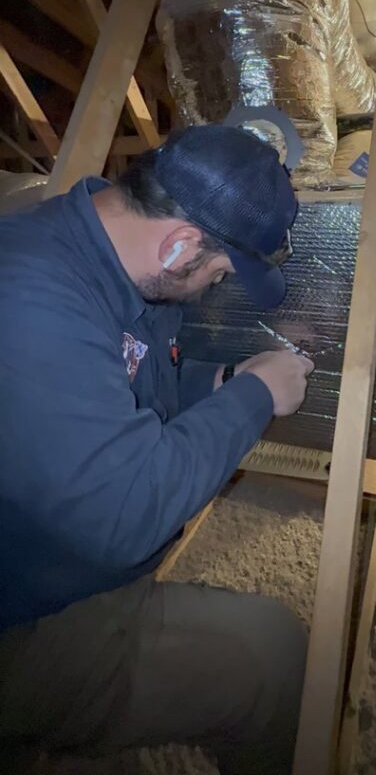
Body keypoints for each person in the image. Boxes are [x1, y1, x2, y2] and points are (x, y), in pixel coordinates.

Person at [0, 125, 314, 774]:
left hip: (48, 561)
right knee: (272, 655)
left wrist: (218, 383)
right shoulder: (29, 294)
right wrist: (253, 396)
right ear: (179, 246)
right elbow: (123, 513)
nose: (212, 288)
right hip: (22, 616)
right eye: (221, 271)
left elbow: (134, 389)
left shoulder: (114, 264)